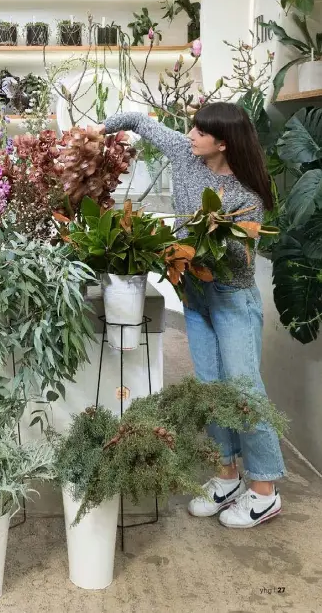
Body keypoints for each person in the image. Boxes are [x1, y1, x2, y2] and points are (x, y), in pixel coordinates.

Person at [104, 103, 285, 528]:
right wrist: (99, 128)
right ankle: (226, 476)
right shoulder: (186, 155)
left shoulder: (246, 194)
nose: (189, 134)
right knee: (209, 388)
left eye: (199, 131)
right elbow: (139, 121)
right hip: (195, 296)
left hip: (232, 298)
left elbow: (241, 262)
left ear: (222, 142)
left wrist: (202, 246)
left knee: (243, 390)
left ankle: (264, 489)